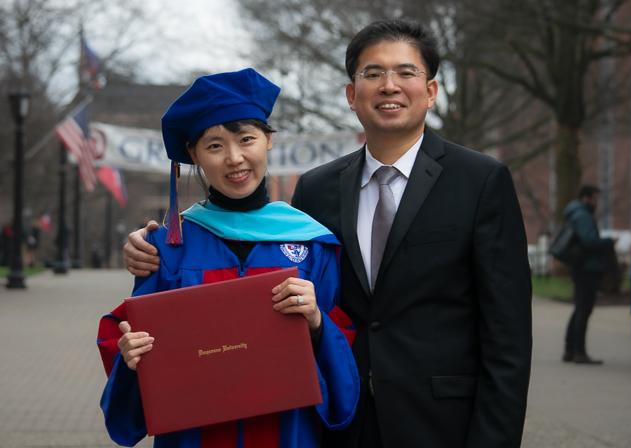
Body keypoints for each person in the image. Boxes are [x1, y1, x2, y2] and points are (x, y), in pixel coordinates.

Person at [124, 21, 532, 448]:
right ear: (352, 95)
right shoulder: (317, 190)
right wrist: (147, 250)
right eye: (373, 73)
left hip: (438, 421)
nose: (389, 85)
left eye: (405, 73)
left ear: (430, 91)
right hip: (340, 428)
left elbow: (508, 335)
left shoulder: (480, 181)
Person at [98, 68, 359, 448]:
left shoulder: (313, 243)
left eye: (246, 139)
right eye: (215, 146)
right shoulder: (170, 247)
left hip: (287, 432)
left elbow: (344, 341)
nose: (234, 158)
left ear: (269, 141)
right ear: (195, 155)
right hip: (194, 434)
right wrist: (131, 356)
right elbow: (136, 338)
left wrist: (317, 322)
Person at [561, 185, 615, 364]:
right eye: (595, 199)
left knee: (579, 308)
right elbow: (589, 240)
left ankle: (570, 350)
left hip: (581, 267)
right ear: (586, 198)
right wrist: (608, 241)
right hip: (587, 268)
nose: (596, 203)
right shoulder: (582, 215)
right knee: (584, 309)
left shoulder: (575, 213)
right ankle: (579, 352)